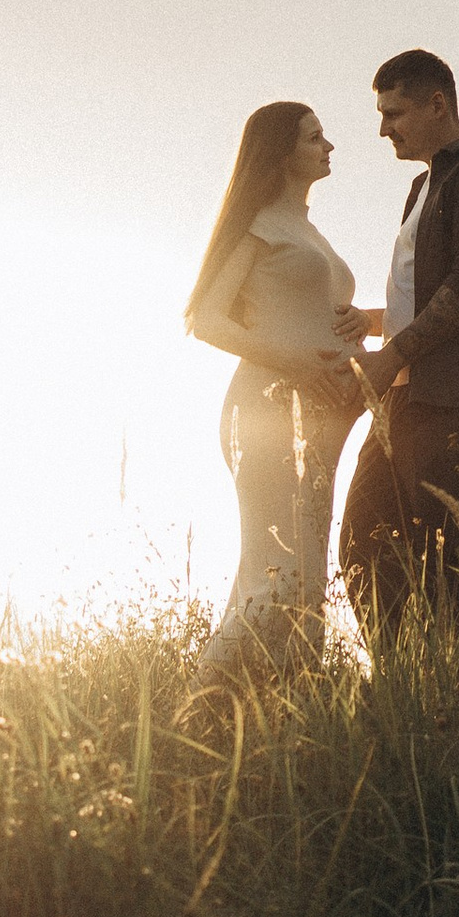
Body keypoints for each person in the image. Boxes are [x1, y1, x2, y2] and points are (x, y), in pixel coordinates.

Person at [337, 49, 459, 635]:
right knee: (362, 547)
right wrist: (371, 321)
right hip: (403, 396)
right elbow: (429, 293)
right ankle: (408, 682)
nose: (383, 129)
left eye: (394, 113)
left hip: (453, 400)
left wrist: (389, 356)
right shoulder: (425, 184)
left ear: (437, 103)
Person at [185, 100, 380, 680]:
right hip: (269, 413)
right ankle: (198, 715)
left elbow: (309, 310)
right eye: (315, 138)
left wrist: (358, 328)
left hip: (320, 419)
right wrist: (297, 362)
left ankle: (280, 711)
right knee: (276, 576)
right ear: (281, 153)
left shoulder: (305, 228)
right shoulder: (260, 223)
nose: (329, 147)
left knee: (300, 577)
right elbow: (207, 320)